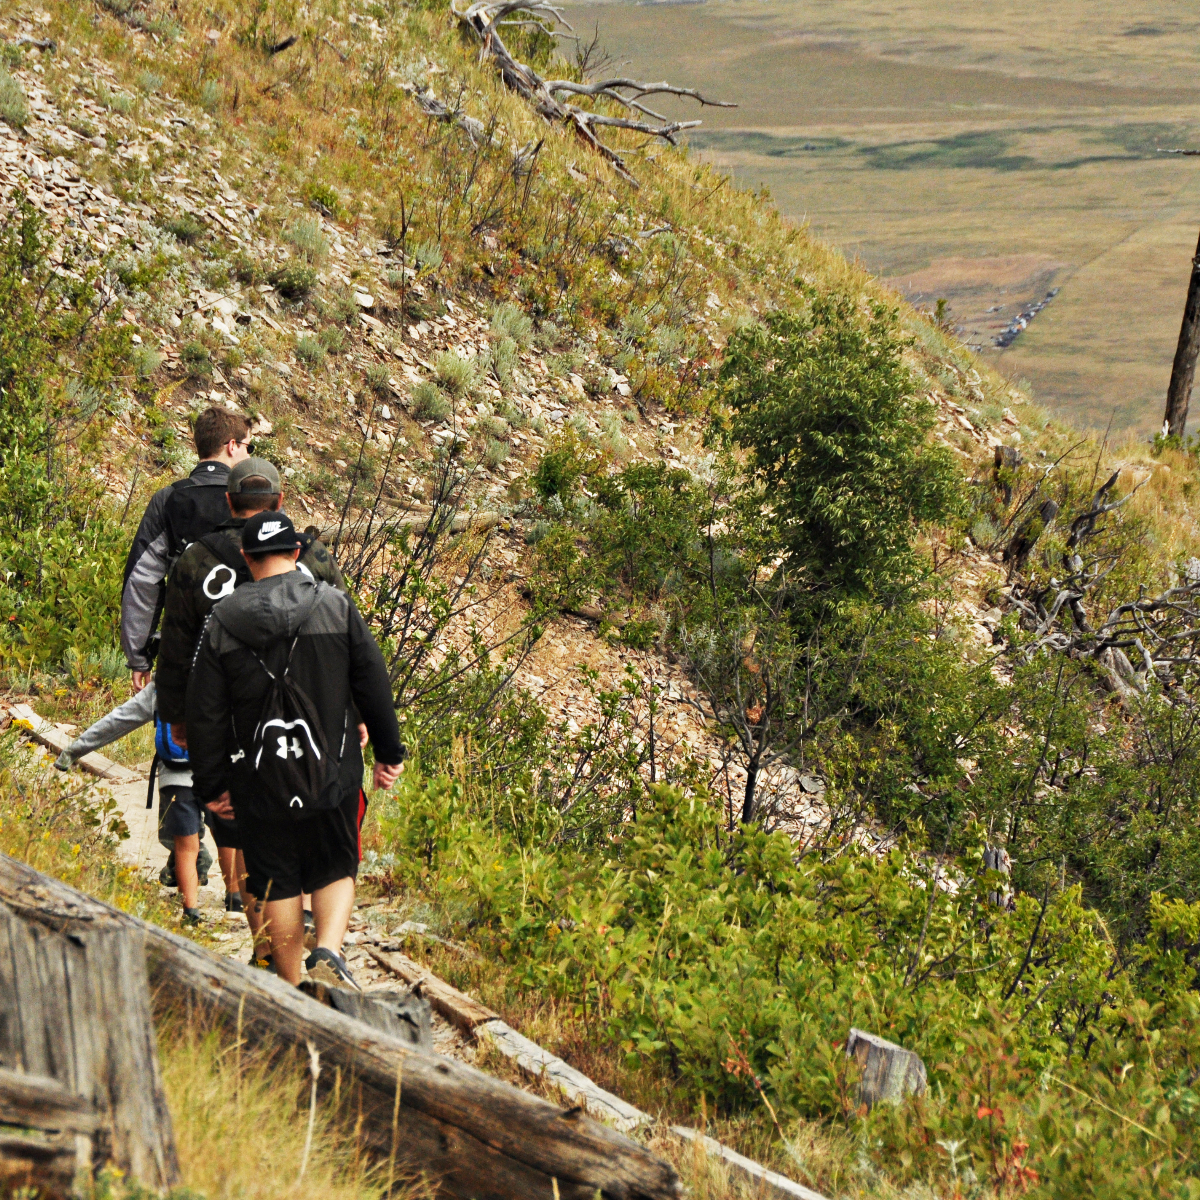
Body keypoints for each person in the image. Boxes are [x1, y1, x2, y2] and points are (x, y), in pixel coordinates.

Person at [186, 512, 405, 986]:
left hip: (260, 779)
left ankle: (290, 986)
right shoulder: (336, 607)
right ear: (298, 553)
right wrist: (389, 752)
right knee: (334, 866)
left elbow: (204, 712)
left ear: (246, 558)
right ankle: (326, 949)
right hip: (332, 772)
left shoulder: (221, 620)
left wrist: (212, 785)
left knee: (275, 881)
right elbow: (373, 683)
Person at [155, 456, 348, 961]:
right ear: (281, 502)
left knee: (248, 838)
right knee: (308, 821)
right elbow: (345, 637)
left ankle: (268, 949)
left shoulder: (196, 560)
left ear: (227, 501)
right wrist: (356, 710)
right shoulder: (314, 558)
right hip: (311, 717)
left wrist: (177, 716)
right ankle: (304, 935)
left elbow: (175, 647)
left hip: (232, 721)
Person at [53, 682, 213, 925]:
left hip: (175, 772)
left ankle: (190, 903)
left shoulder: (162, 687)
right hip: (220, 771)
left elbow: (118, 721)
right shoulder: (225, 673)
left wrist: (72, 751)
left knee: (179, 841)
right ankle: (235, 900)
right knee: (228, 838)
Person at [122, 407, 252, 693]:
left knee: (179, 733)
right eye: (248, 446)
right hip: (245, 649)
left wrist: (139, 656)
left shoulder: (169, 498)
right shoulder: (254, 501)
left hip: (183, 648)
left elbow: (142, 580)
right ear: (232, 446)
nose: (249, 455)